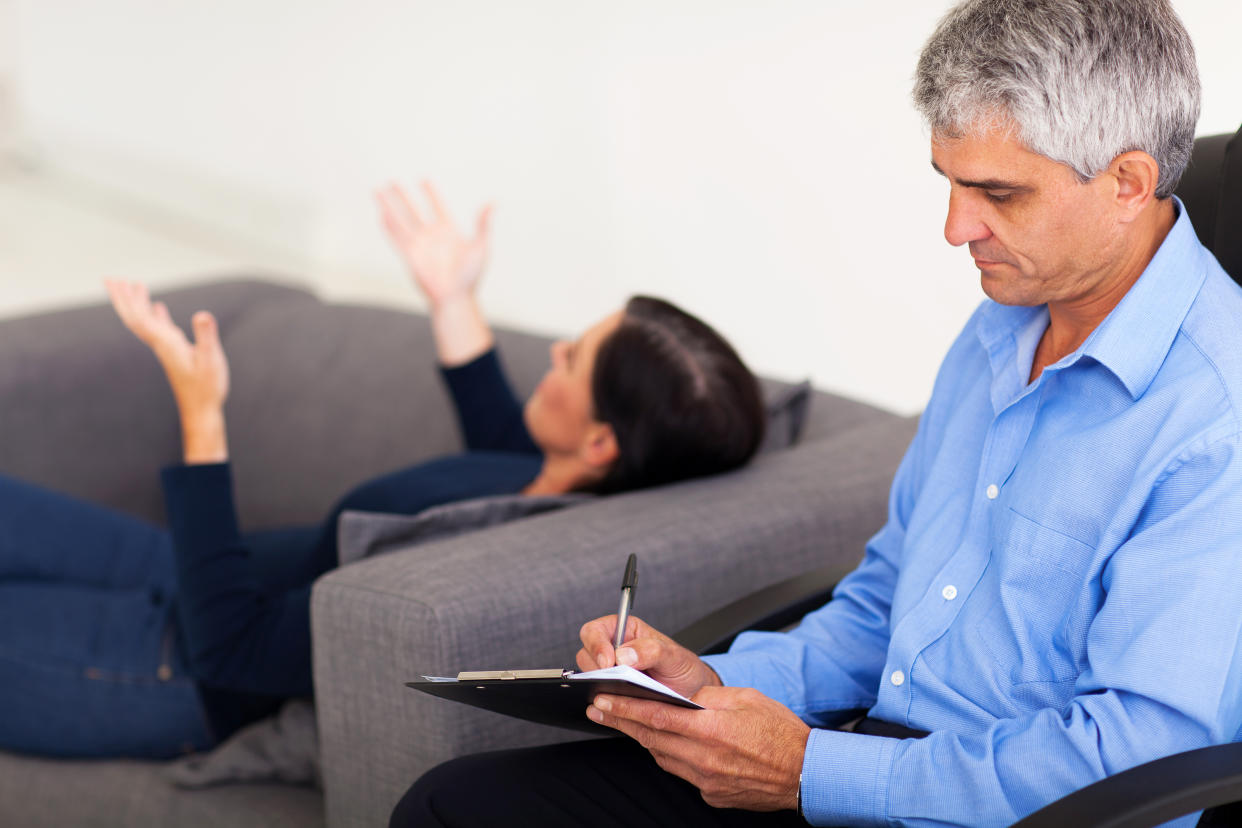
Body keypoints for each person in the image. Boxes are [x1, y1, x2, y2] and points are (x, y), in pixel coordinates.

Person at [390, 1, 1242, 826]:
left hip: (994, 810)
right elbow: (883, 604)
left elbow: (1134, 756)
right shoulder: (1002, 328)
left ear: (1128, 183)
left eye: (998, 194)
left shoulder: (1216, 420)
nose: (955, 228)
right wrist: (711, 685)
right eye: (948, 183)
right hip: (861, 761)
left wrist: (807, 771)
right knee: (453, 803)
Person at [0, 182, 766, 760]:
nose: (553, 353)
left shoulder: (466, 562)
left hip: (176, 667)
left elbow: (231, 648)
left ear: (599, 443)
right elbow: (500, 437)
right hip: (179, 571)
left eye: (573, 358)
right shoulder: (555, 483)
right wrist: (452, 298)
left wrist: (201, 414)